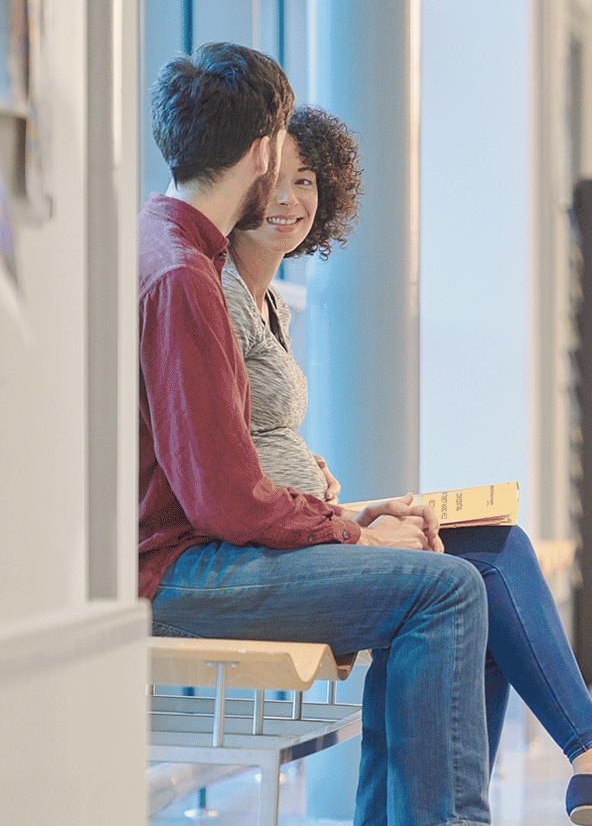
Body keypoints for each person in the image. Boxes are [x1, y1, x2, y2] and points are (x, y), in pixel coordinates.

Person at [220, 106, 592, 826]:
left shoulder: (267, 298)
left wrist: (338, 498)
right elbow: (219, 467)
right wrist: (349, 526)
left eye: (307, 181)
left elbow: (248, 436)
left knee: (494, 547)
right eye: (277, 179)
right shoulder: (213, 290)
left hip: (303, 531)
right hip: (264, 556)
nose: (291, 200)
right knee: (467, 584)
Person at [137, 42, 492, 826]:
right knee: (450, 589)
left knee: (438, 583)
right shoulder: (184, 280)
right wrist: (349, 534)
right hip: (181, 573)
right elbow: (224, 499)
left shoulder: (164, 249)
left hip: (186, 555)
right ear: (262, 152)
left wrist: (345, 526)